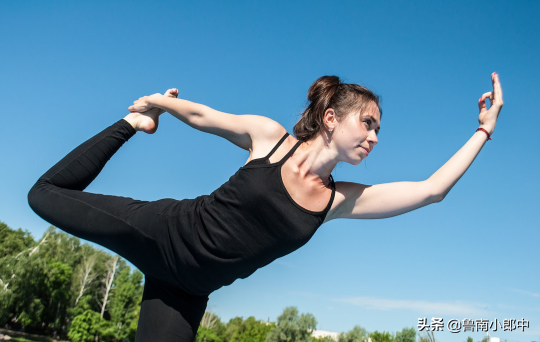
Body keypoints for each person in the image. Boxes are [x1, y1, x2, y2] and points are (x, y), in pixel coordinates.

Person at [28, 73, 503, 342]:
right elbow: (204, 117)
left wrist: (484, 129)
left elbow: (431, 190)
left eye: (380, 130)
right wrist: (155, 106)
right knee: (43, 195)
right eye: (369, 124)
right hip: (161, 232)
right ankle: (129, 125)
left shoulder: (337, 201)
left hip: (187, 291)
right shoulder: (269, 140)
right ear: (332, 118)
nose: (375, 137)